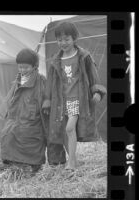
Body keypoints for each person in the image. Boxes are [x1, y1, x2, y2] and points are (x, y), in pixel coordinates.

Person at [42, 22, 107, 170]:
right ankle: (73, 161)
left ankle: (71, 162)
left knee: (70, 128)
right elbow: (50, 83)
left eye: (66, 39)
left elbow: (92, 75)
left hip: (77, 99)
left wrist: (96, 91)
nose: (62, 43)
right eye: (59, 39)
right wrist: (47, 101)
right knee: (64, 131)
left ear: (74, 38)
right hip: (60, 101)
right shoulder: (55, 61)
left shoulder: (83, 56)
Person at [0, 48, 47, 173]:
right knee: (7, 134)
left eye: (26, 67)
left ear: (35, 66)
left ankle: (34, 166)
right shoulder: (18, 80)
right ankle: (13, 164)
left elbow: (47, 97)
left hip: (32, 117)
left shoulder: (41, 81)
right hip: (16, 116)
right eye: (20, 67)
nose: (22, 70)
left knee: (30, 139)